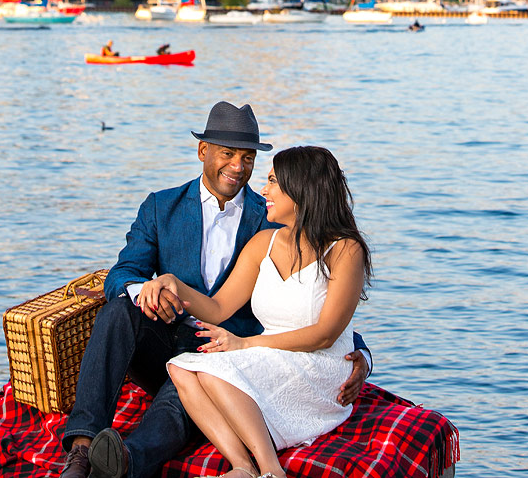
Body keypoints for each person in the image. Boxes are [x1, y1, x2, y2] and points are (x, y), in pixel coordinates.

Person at [61, 104, 370, 478]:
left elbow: (317, 309)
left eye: (249, 158)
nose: (239, 167)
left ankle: (125, 461)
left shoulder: (269, 218)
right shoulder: (162, 207)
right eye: (227, 154)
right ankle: (80, 449)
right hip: (164, 335)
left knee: (200, 373)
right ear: (203, 151)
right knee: (117, 310)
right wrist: (155, 290)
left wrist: (362, 357)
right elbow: (121, 274)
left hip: (229, 349)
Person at [132, 147, 372, 478]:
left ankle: (271, 471)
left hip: (321, 362)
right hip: (272, 353)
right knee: (183, 368)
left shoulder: (345, 249)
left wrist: (246, 345)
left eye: (273, 181)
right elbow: (217, 308)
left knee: (215, 371)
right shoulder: (264, 243)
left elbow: (326, 333)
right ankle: (242, 465)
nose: (264, 190)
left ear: (300, 190)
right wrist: (171, 283)